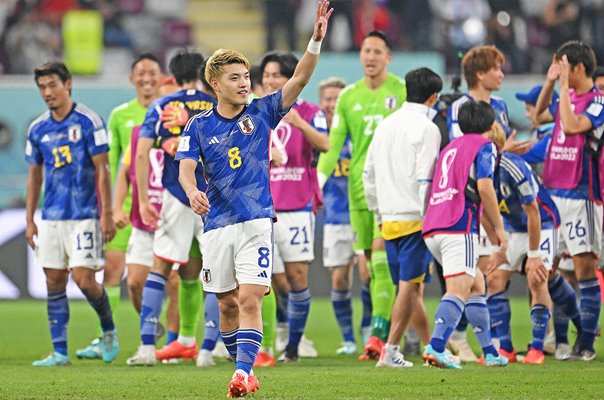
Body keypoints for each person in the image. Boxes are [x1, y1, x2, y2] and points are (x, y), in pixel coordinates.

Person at [176, 1, 333, 396]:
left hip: (256, 219)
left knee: (250, 298)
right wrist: (193, 191)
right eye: (235, 78)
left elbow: (298, 80)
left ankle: (241, 374)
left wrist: (314, 41)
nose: (245, 83)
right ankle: (243, 366)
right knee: (227, 304)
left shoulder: (263, 112)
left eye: (247, 76)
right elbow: (185, 167)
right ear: (216, 83)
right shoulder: (197, 126)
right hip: (216, 225)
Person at [316, 30, 406, 361]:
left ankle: (380, 335)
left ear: (388, 57)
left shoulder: (402, 90)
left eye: (377, 51)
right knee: (368, 268)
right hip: (359, 192)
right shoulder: (348, 97)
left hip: (394, 190)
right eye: (366, 50)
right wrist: (318, 180)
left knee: (382, 262)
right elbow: (332, 145)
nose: (370, 57)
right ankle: (390, 326)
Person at [126, 50, 216, 366]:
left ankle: (148, 348)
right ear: (204, 73)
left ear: (173, 76)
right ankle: (207, 350)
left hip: (176, 196)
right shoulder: (217, 105)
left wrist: (142, 201)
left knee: (162, 268)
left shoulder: (162, 106)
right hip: (213, 199)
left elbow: (140, 155)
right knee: (213, 270)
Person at [25, 61, 119, 366]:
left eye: (52, 85)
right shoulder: (38, 128)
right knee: (53, 280)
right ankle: (60, 351)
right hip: (52, 216)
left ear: (67, 85)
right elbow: (34, 176)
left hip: (85, 215)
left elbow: (102, 170)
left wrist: (105, 215)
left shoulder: (89, 121)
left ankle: (108, 332)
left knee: (84, 279)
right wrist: (30, 220)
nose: (47, 92)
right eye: (42, 87)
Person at [445, 44, 529, 362]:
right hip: (466, 200)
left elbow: (494, 152)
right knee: (473, 275)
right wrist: (502, 149)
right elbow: (464, 151)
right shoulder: (460, 108)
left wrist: (505, 152)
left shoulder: (503, 106)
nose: (501, 74)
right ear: (480, 73)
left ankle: (485, 343)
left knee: (487, 275)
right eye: (496, 68)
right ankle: (454, 337)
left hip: (493, 196)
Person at [76, 52, 162, 359]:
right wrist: (112, 209)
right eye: (141, 73)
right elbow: (112, 166)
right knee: (112, 272)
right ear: (132, 79)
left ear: (161, 77)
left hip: (165, 209)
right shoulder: (120, 115)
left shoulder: (170, 113)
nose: (146, 78)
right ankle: (107, 336)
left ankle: (171, 335)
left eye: (152, 72)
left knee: (171, 278)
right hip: (127, 210)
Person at [364, 67, 442, 368]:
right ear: (433, 97)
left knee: (411, 287)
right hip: (416, 218)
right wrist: (429, 220)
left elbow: (367, 174)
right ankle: (391, 349)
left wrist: (378, 212)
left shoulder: (386, 124)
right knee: (409, 288)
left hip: (389, 218)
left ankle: (430, 347)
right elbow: (425, 179)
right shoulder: (428, 128)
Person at [422, 101, 509, 369]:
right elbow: (484, 188)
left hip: (433, 226)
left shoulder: (451, 147)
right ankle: (436, 347)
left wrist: (489, 229)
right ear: (490, 124)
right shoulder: (485, 146)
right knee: (459, 289)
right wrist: (500, 229)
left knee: (476, 285)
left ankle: (490, 353)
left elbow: (466, 190)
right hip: (458, 226)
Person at [534, 40, 604, 361]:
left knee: (584, 268)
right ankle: (563, 340)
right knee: (550, 270)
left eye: (561, 65)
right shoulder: (566, 95)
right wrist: (551, 83)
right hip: (553, 192)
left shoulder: (599, 102)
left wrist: (561, 87)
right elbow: (538, 117)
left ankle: (586, 345)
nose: (559, 70)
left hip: (581, 195)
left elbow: (574, 127)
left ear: (577, 68)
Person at [260, 50, 330, 363]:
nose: (270, 81)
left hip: (297, 206)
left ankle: (293, 346)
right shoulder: (256, 111)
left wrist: (299, 122)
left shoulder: (311, 111)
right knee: (271, 280)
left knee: (297, 276)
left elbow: (325, 144)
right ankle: (274, 337)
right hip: (262, 208)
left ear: (290, 77)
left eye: (276, 75)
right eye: (266, 76)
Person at [487, 145, 561, 364]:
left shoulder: (512, 167)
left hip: (542, 224)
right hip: (509, 227)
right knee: (493, 280)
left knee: (537, 279)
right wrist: (497, 246)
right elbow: (482, 211)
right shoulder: (475, 167)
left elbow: (533, 210)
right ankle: (505, 348)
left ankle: (537, 348)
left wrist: (535, 253)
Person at [318, 77, 359, 355]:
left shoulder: (356, 130)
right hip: (334, 217)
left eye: (337, 98)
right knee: (339, 279)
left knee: (369, 275)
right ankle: (348, 338)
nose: (332, 103)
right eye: (328, 98)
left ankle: (370, 331)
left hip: (363, 213)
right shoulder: (319, 137)